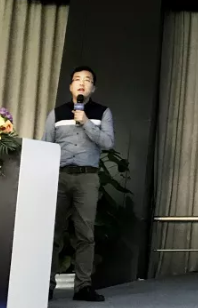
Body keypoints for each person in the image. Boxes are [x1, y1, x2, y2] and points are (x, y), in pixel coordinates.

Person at [42, 66, 115, 302]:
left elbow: (108, 143)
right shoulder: (57, 113)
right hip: (59, 177)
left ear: (93, 88)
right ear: (70, 86)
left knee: (85, 234)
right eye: (77, 79)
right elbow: (46, 146)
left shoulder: (102, 112)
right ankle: (46, 285)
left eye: (87, 80)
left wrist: (86, 122)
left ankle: (83, 286)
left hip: (87, 178)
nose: (82, 83)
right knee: (53, 233)